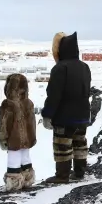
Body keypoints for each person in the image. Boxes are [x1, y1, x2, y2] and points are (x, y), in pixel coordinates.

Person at [41, 31, 91, 183]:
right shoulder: (85, 66)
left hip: (64, 116)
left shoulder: (60, 68)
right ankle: (80, 172)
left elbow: (54, 94)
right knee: (79, 143)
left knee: (63, 145)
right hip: (83, 114)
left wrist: (48, 114)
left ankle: (62, 176)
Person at [0, 73, 37, 192]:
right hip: (28, 138)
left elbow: (4, 123)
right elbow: (33, 122)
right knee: (25, 156)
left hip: (14, 137)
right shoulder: (29, 102)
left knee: (13, 158)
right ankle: (27, 179)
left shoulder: (8, 103)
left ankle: (14, 182)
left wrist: (2, 137)